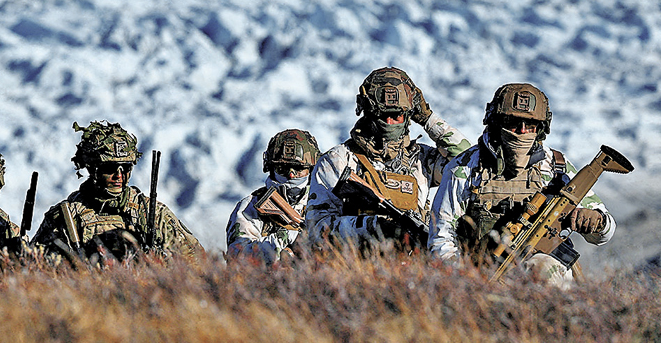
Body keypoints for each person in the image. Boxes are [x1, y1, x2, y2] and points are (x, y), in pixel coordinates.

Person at [428, 83, 616, 288]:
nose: (522, 131)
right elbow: (441, 237)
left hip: (546, 276)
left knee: (545, 268)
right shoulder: (465, 168)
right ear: (496, 122)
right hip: (483, 275)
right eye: (513, 123)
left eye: (531, 126)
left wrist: (596, 221)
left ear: (541, 129)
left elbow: (604, 234)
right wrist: (465, 282)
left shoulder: (555, 167)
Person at [306, 67, 471, 253]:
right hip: (357, 270)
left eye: (397, 115)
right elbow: (316, 230)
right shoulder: (338, 160)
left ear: (409, 115)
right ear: (367, 112)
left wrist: (428, 119)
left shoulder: (423, 160)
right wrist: (371, 227)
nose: (390, 122)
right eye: (382, 115)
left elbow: (468, 164)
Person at [32, 121, 203, 266]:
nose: (119, 175)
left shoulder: (151, 213)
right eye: (110, 168)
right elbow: (35, 267)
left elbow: (197, 262)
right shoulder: (66, 216)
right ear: (93, 168)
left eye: (126, 168)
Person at [226, 129, 320, 265]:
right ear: (270, 167)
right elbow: (237, 258)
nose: (291, 175)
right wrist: (284, 238)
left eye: (298, 168)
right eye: (283, 168)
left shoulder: (325, 202)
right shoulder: (250, 207)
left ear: (311, 169)